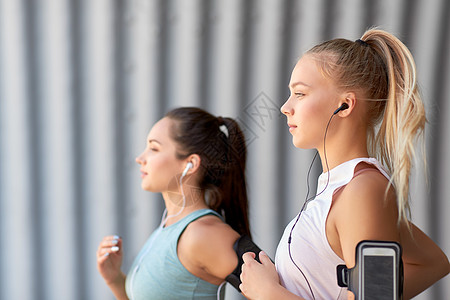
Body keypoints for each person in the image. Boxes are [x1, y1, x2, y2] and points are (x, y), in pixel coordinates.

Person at [239, 28, 450, 299]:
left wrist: (269, 293)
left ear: (346, 105)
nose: (285, 107)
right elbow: (432, 263)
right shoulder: (347, 192)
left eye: (300, 94)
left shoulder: (364, 192)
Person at [97, 107, 250, 300]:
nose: (140, 159)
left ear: (191, 164)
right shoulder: (170, 226)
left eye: (154, 148)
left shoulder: (202, 234)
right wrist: (115, 280)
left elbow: (275, 292)